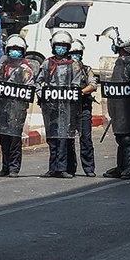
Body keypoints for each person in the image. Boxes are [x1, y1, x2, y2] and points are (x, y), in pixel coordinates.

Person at [36, 30, 82, 179]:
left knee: (63, 137)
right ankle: (52, 167)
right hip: (50, 106)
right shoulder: (47, 63)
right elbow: (38, 82)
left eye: (63, 45)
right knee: (52, 137)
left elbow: (76, 85)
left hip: (66, 106)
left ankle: (62, 167)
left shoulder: (74, 65)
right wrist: (40, 94)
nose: (60, 48)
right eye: (58, 45)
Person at [0, 35, 38, 177]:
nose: (14, 52)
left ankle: (14, 168)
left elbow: (30, 87)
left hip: (18, 108)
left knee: (14, 139)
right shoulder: (3, 66)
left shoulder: (25, 69)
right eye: (12, 49)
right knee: (3, 138)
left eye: (17, 49)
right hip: (3, 107)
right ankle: (5, 167)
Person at [100, 28, 130, 180]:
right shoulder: (120, 61)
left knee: (128, 138)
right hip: (118, 106)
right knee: (120, 138)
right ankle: (121, 167)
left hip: (128, 106)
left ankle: (129, 169)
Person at [67, 39, 98, 177]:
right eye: (73, 53)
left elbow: (93, 84)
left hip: (84, 107)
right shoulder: (63, 70)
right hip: (68, 108)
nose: (75, 56)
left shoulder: (86, 69)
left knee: (86, 139)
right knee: (67, 139)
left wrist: (81, 92)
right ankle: (69, 168)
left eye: (78, 53)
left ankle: (89, 168)